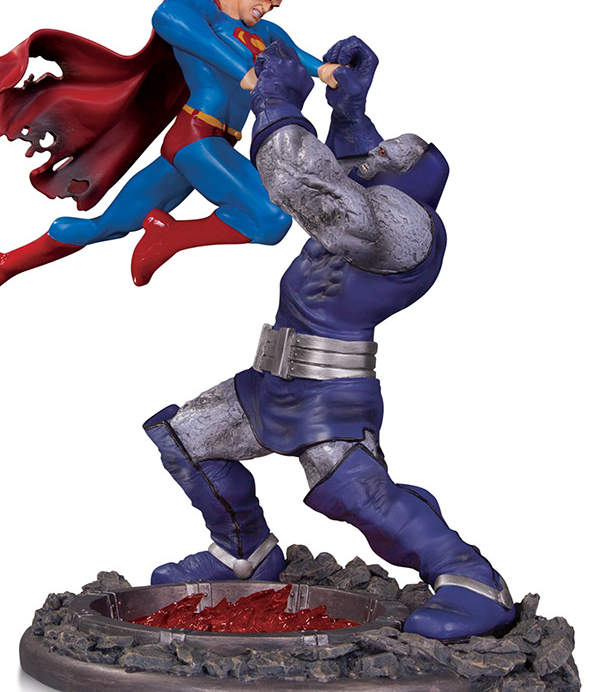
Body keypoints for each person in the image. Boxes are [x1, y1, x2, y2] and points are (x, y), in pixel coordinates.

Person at [142, 37, 516, 641]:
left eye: (388, 153)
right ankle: (243, 553)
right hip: (270, 381)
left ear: (409, 181)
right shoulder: (381, 202)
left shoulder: (406, 227)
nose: (376, 150)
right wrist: (347, 110)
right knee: (186, 439)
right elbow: (351, 174)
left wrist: (278, 104)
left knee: (357, 496)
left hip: (329, 388)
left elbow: (311, 186)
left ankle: (473, 581)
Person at [0, 0, 337, 319]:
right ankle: (169, 236)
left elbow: (301, 58)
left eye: (274, 6)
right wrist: (243, 71)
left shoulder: (265, 33)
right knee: (270, 218)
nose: (265, 9)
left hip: (202, 152)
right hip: (198, 138)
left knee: (106, 227)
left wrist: (329, 71)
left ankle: (0, 264)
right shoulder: (201, 3)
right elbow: (167, 18)